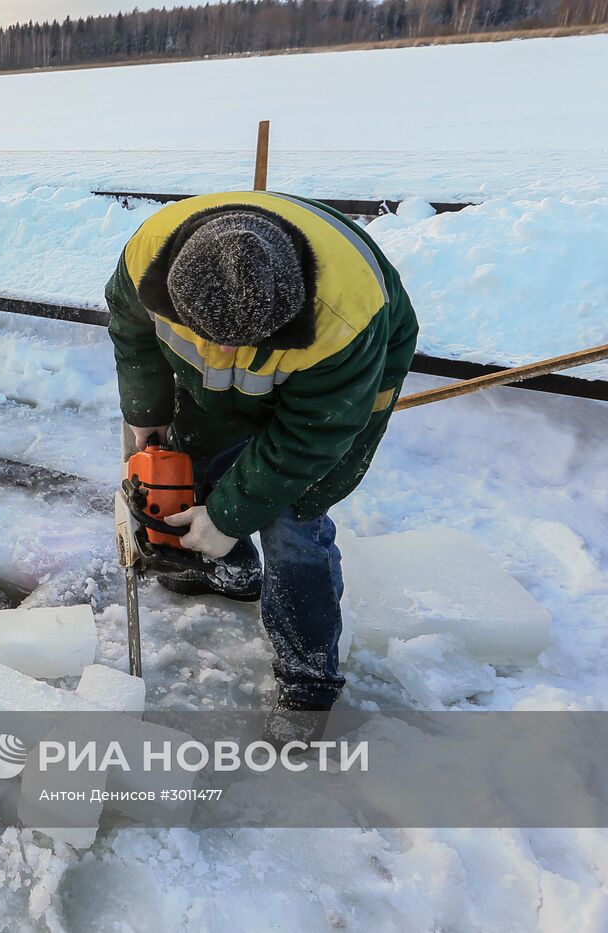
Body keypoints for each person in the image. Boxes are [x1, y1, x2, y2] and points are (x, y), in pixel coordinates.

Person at [106, 191, 418, 727]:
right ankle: (229, 566)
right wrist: (147, 411)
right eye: (205, 337)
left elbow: (308, 439)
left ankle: (308, 675)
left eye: (236, 344)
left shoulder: (342, 315)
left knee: (292, 517)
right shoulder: (147, 257)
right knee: (189, 459)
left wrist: (231, 515)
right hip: (230, 380)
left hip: (337, 399)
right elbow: (134, 334)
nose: (220, 355)